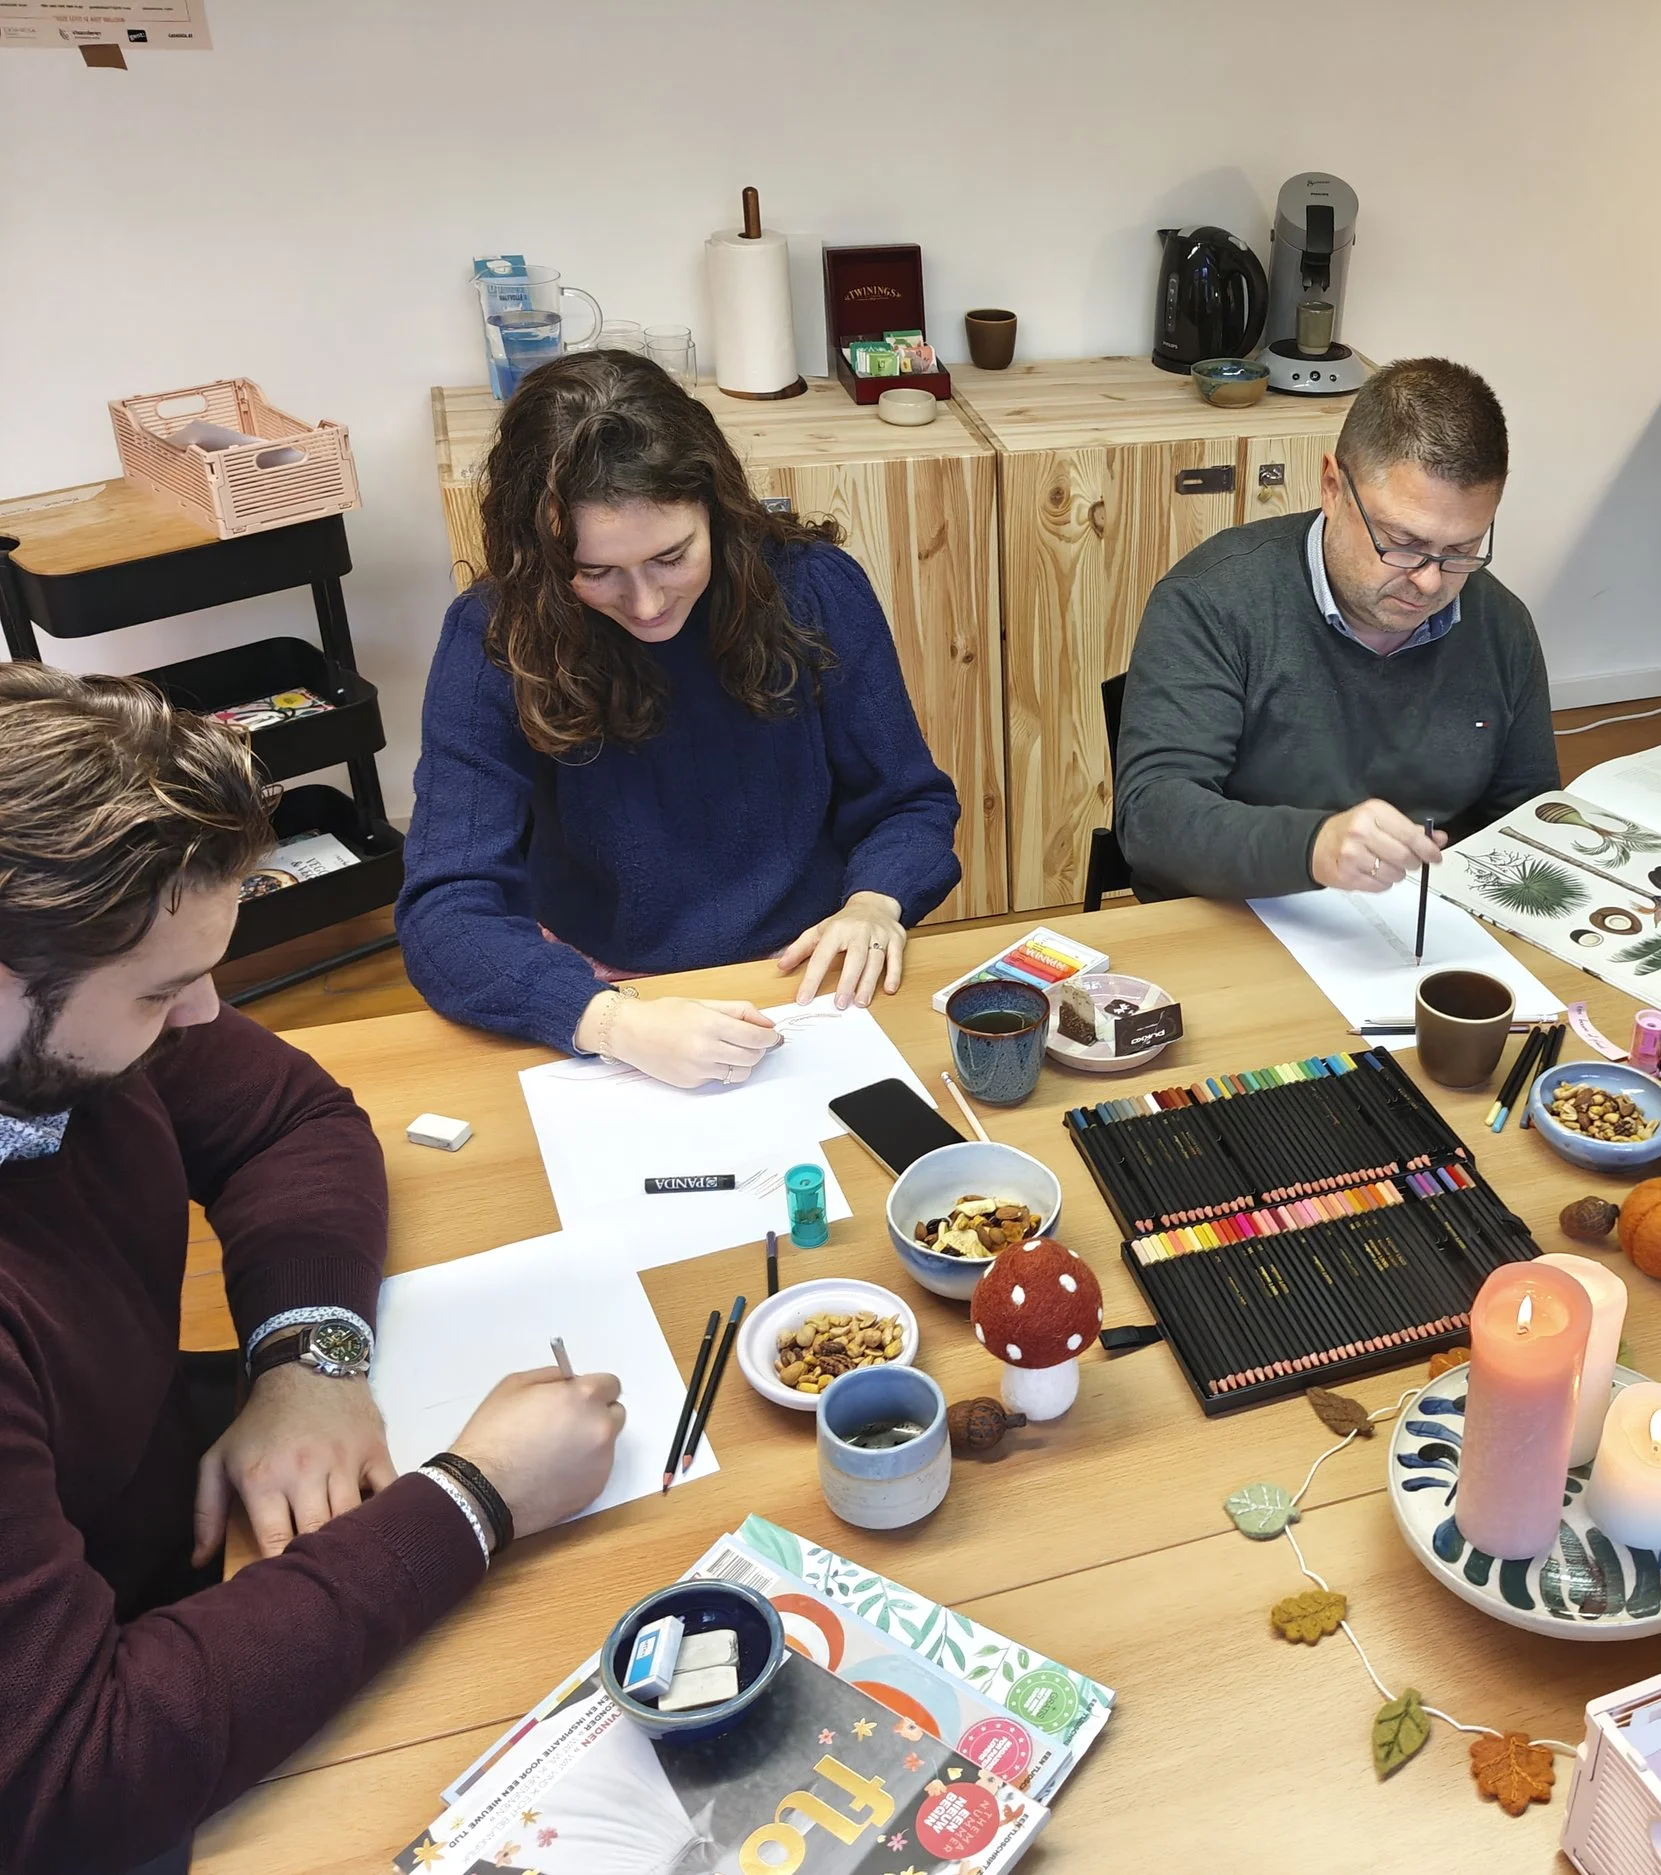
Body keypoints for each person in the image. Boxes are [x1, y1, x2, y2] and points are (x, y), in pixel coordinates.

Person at [0, 666, 624, 1875]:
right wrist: (475, 1498)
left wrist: (307, 1357)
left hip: (182, 1532)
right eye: (162, 990)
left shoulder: (74, 1010)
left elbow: (294, 1119)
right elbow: (75, 1775)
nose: (201, 1018)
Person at [398, 351, 962, 1088]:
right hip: (604, 984)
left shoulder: (814, 590)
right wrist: (609, 1022)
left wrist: (875, 901)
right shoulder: (494, 639)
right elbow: (445, 909)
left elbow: (908, 802)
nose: (645, 603)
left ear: (715, 509)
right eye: (595, 571)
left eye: (671, 557)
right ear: (541, 554)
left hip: (804, 966)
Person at [1113, 356, 1558, 901]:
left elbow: (1527, 819)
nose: (1429, 580)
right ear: (1332, 487)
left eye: (1462, 550)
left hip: (1423, 919)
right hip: (1240, 911)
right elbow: (1152, 819)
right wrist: (1314, 848)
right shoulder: (1213, 601)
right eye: (1403, 543)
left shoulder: (1501, 625)